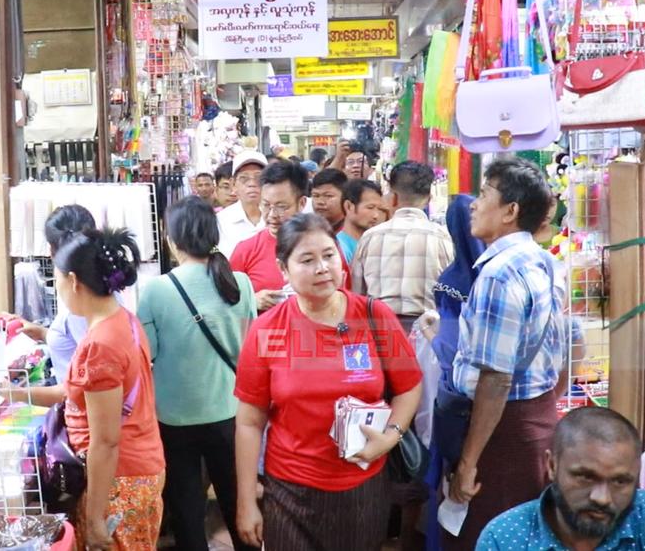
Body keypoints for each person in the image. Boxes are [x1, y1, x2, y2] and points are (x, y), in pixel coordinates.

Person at [235, 213, 423, 551]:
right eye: (307, 260)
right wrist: (247, 501)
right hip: (289, 490)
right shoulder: (268, 331)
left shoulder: (373, 316)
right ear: (284, 269)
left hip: (362, 485)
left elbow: (409, 387)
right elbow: (249, 422)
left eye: (329, 255)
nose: (322, 267)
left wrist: (389, 437)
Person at [444, 158, 561, 550]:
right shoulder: (543, 260)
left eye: (483, 195)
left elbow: (496, 378)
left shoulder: (498, 274)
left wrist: (468, 462)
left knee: (489, 534)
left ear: (510, 211)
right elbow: (562, 346)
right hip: (536, 417)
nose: (473, 205)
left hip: (503, 429)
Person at [138, 196, 258, 551]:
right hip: (231, 413)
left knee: (187, 510)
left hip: (174, 418)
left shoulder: (157, 290)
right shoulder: (240, 283)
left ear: (171, 238)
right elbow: (248, 348)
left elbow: (149, 354)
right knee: (239, 502)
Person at [53, 227, 165, 550]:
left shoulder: (101, 345)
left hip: (120, 480)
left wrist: (96, 515)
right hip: (140, 466)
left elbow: (105, 441)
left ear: (73, 281)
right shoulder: (124, 319)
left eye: (58, 280)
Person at [477, 407, 645, 550]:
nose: (602, 498)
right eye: (585, 477)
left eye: (620, 482)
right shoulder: (506, 538)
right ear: (552, 466)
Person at [418, 195, 487, 551]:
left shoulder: (452, 281)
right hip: (493, 407)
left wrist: (428, 329)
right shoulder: (494, 275)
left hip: (456, 405)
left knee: (453, 492)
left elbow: (449, 354)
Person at [6, 205, 119, 407]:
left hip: (86, 418)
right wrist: (43, 333)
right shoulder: (100, 289)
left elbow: (84, 387)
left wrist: (17, 394)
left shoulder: (82, 306)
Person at [352, 160, 453, 333]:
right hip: (427, 333)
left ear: (393, 197)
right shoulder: (444, 238)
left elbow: (357, 294)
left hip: (380, 331)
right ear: (429, 198)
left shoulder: (370, 237)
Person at [229, 161, 308, 313]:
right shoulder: (246, 249)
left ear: (302, 203)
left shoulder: (323, 247)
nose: (272, 215)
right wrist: (251, 301)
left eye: (281, 207)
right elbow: (226, 303)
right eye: (266, 205)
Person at [217, 151, 267, 258]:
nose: (252, 184)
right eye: (244, 178)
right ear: (233, 184)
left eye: (259, 178)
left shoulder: (278, 218)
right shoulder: (221, 221)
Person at [336, 179, 384, 263]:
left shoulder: (372, 244)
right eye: (370, 207)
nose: (376, 215)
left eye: (379, 209)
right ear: (348, 206)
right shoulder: (340, 248)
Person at [311, 168, 349, 233]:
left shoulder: (354, 231)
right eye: (316, 196)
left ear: (345, 197)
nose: (320, 202)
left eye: (328, 196)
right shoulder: (307, 230)